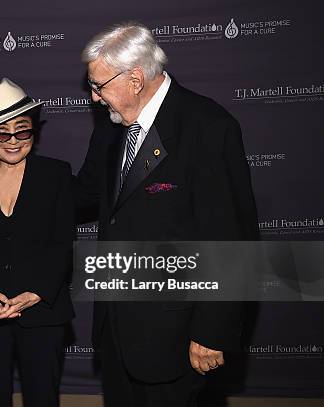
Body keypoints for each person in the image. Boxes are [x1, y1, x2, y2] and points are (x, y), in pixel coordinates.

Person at [75, 22, 259, 406]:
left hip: (176, 334)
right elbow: (82, 195)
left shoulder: (208, 127)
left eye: (99, 85)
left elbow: (231, 240)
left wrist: (212, 331)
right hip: (116, 331)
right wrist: (16, 171)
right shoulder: (111, 130)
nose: (94, 98)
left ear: (136, 79)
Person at [0, 78, 75, 407]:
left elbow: (63, 243)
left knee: (42, 397)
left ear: (33, 131)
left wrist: (36, 292)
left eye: (22, 131)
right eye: (1, 133)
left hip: (43, 311)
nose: (13, 141)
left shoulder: (56, 175)